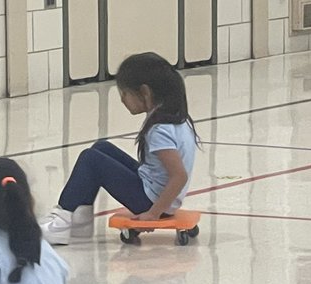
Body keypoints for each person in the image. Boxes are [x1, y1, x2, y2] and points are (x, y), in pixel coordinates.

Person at [40, 52, 198, 246]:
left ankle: (60, 222)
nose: (122, 99)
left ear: (145, 93)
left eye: (125, 93)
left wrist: (153, 213)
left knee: (90, 158)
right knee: (101, 147)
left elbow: (178, 175)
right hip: (155, 192)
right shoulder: (174, 117)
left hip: (150, 201)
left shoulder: (160, 130)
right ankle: (80, 219)